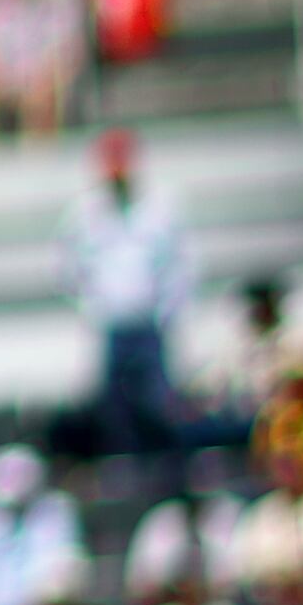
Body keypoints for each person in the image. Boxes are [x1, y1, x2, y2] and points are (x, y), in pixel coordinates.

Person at [57, 133, 190, 464]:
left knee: (157, 403)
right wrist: (94, 309)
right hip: (112, 328)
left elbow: (180, 265)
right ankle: (122, 466)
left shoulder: (160, 208)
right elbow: (68, 269)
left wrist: (166, 313)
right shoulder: (84, 214)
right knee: (114, 409)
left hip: (150, 326)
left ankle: (162, 466)